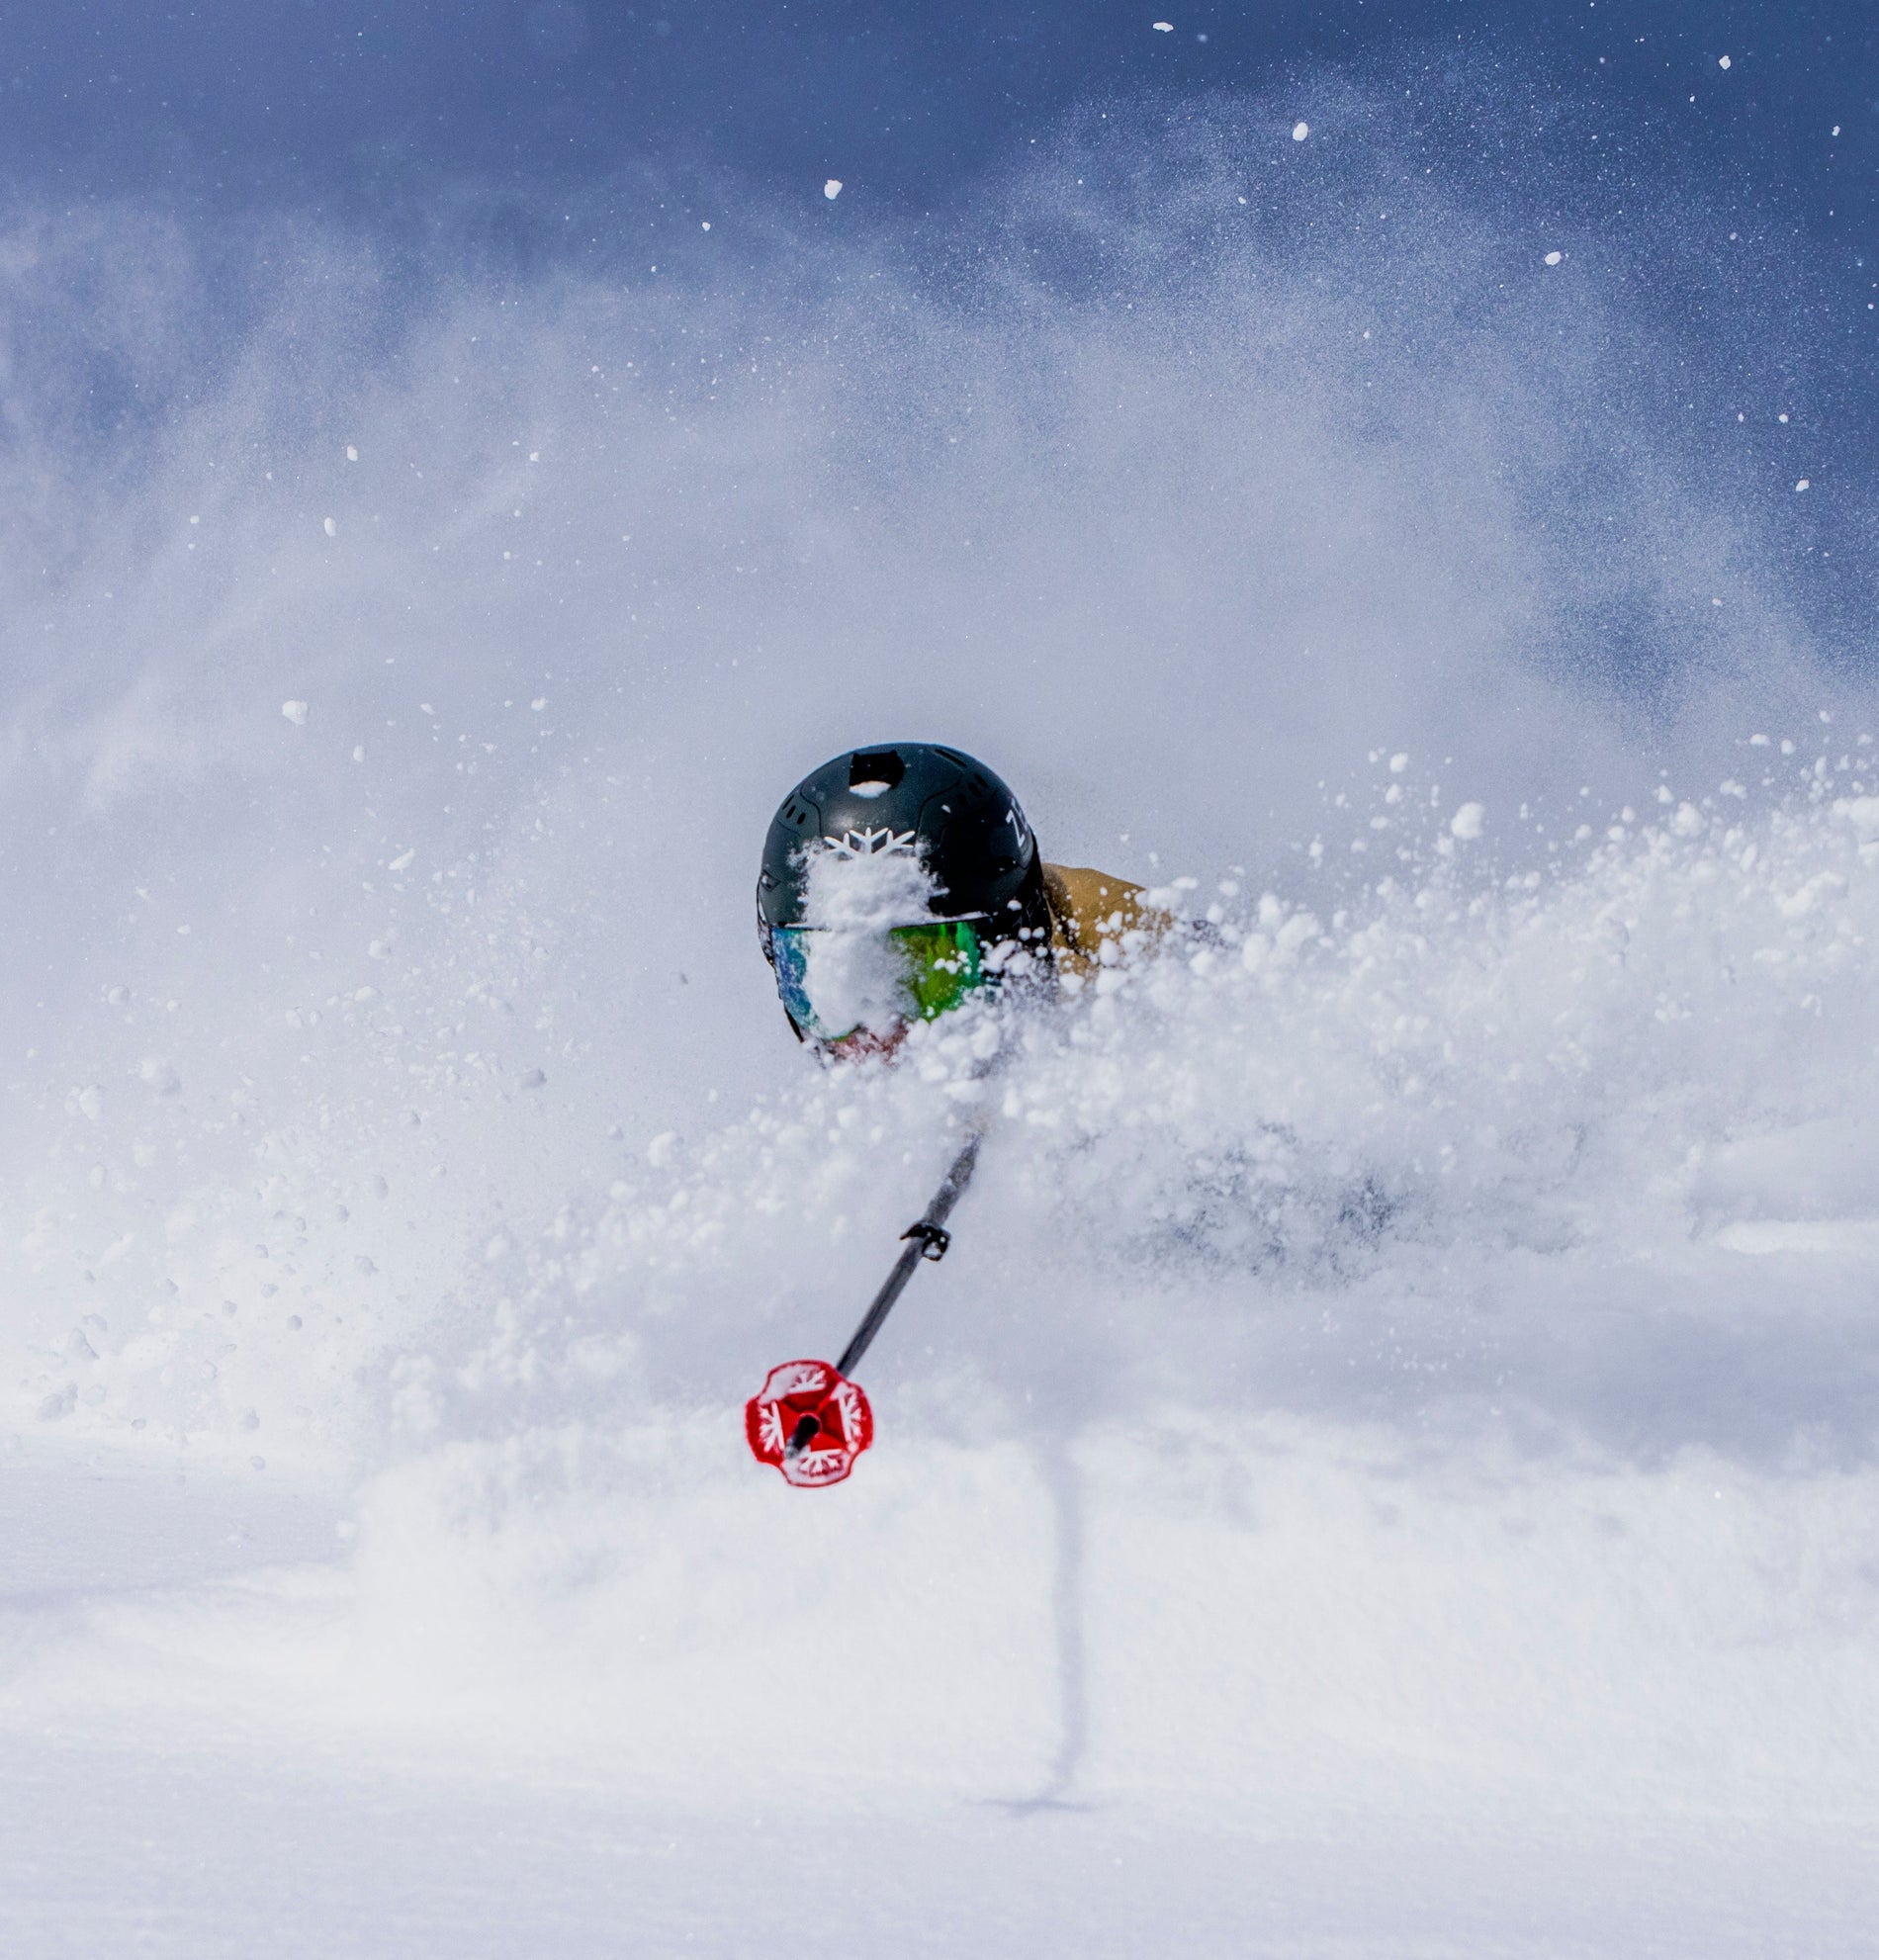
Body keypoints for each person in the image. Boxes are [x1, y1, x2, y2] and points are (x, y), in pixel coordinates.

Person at [757, 741, 1164, 1057]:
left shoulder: (1129, 1048)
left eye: (932, 981)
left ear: (1021, 948)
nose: (879, 1036)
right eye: (828, 992)